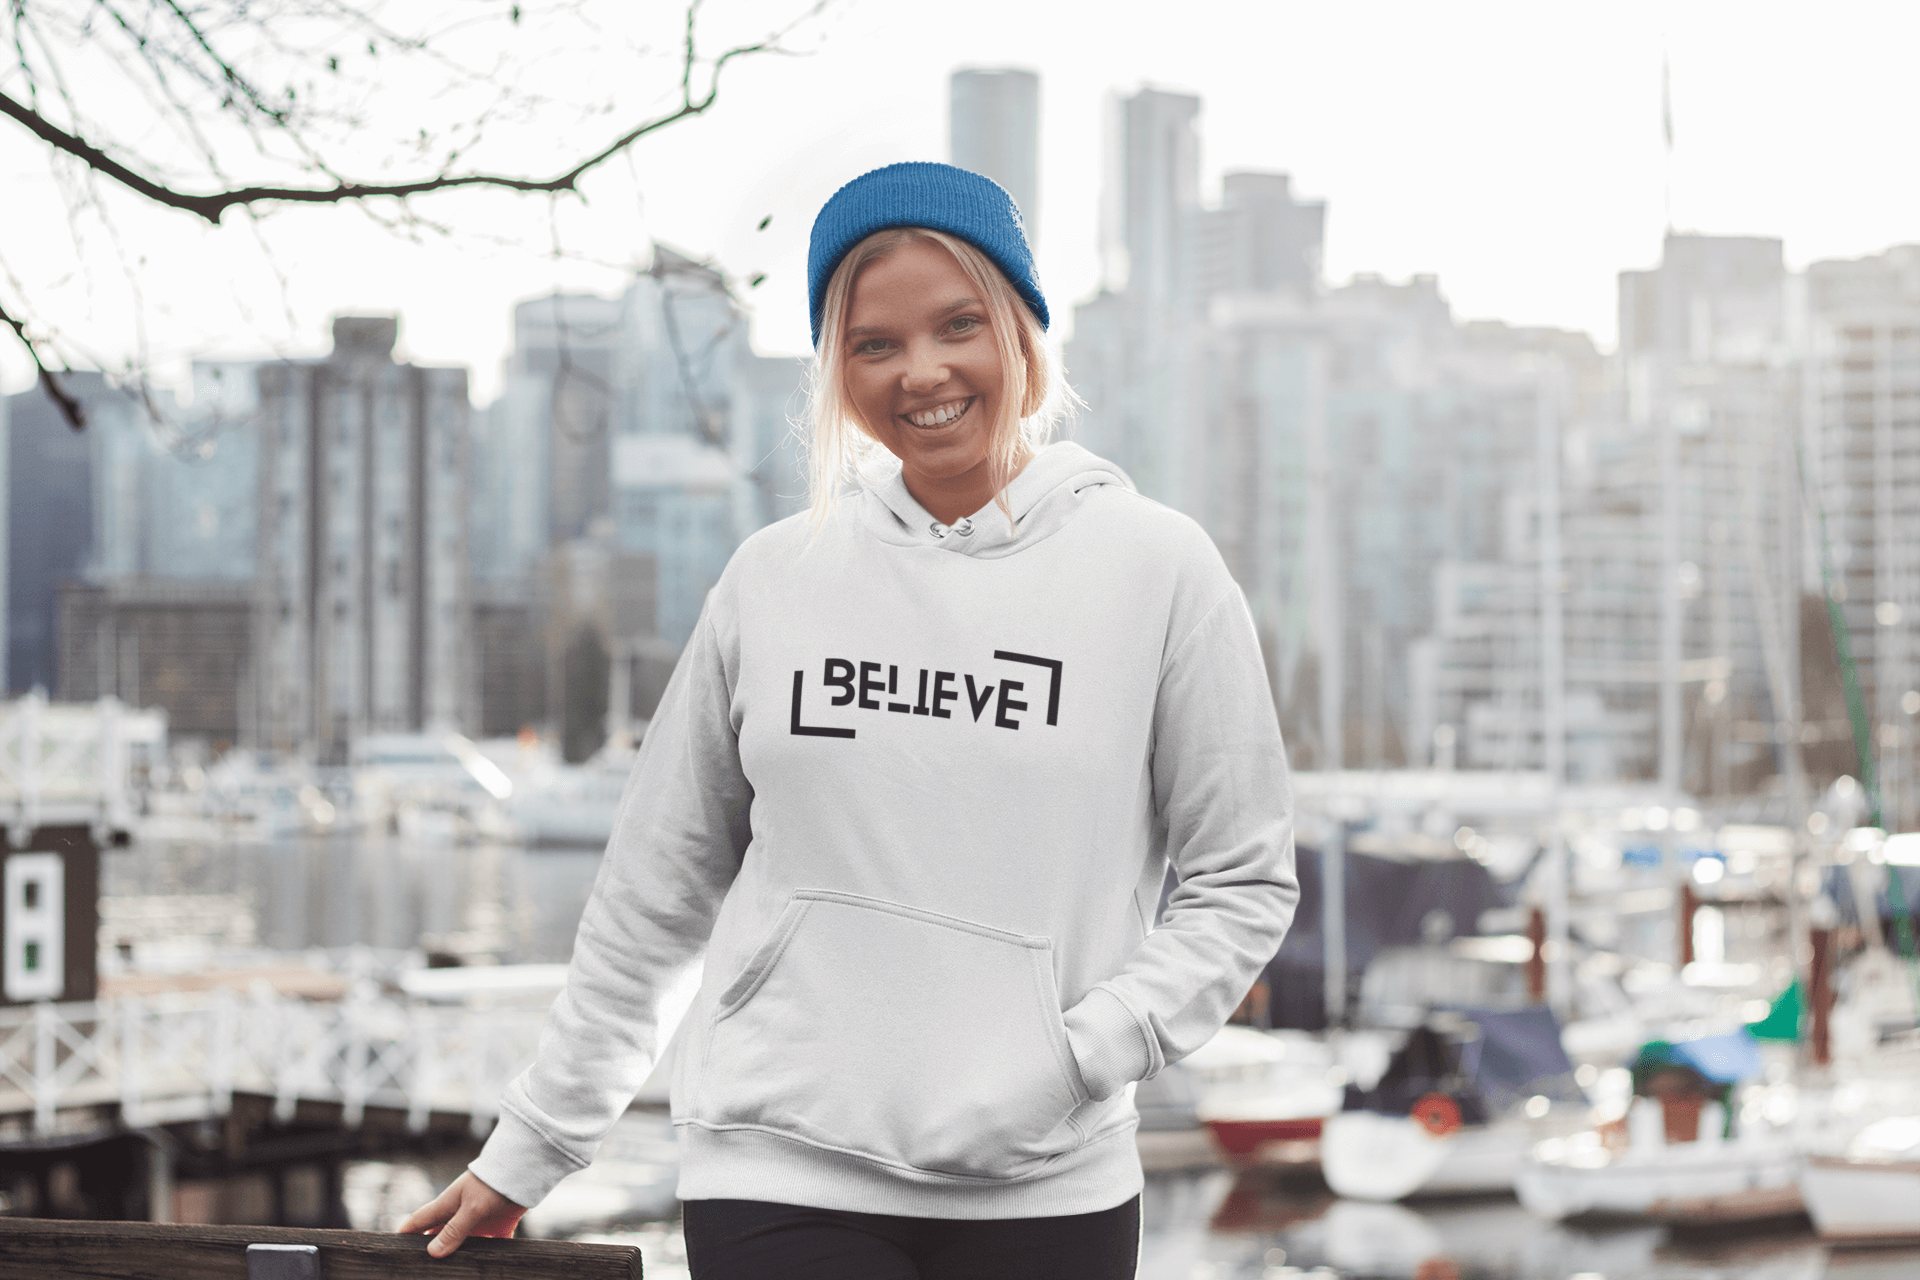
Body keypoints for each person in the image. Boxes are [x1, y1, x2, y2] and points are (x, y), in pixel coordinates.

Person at [401, 161, 1298, 1279]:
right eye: (874, 343)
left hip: (1048, 1185)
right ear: (836, 368)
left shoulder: (1161, 569)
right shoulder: (773, 578)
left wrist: (1079, 1055)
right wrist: (536, 1142)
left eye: (958, 324)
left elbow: (1242, 880)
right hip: (779, 1170)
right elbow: (654, 891)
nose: (922, 371)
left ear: (1022, 327)